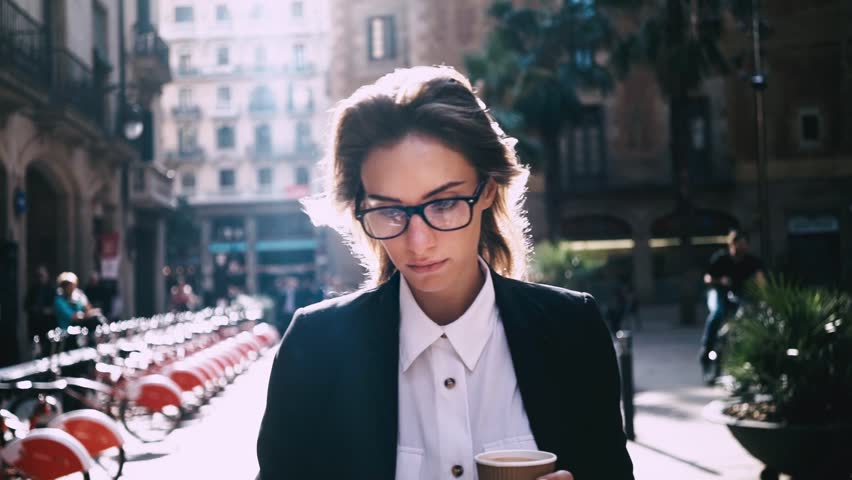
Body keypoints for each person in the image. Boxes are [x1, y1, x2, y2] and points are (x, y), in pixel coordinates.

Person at [256, 67, 633, 480]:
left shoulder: (571, 329)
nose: (418, 242)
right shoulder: (315, 345)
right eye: (389, 210)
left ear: (487, 189)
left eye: (444, 204)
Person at [700, 230, 766, 367]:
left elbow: (761, 281)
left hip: (738, 295)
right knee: (718, 313)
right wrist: (719, 280)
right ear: (731, 244)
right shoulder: (721, 259)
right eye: (738, 244)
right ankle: (706, 347)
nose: (741, 247)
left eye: (744, 244)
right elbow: (707, 278)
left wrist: (764, 294)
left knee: (747, 316)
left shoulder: (752, 261)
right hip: (717, 292)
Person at [25, 265, 56, 343]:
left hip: (47, 324)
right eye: (38, 276)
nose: (40, 278)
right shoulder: (32, 290)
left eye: (42, 275)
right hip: (34, 324)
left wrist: (46, 310)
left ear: (47, 275)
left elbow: (55, 307)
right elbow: (26, 305)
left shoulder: (52, 290)